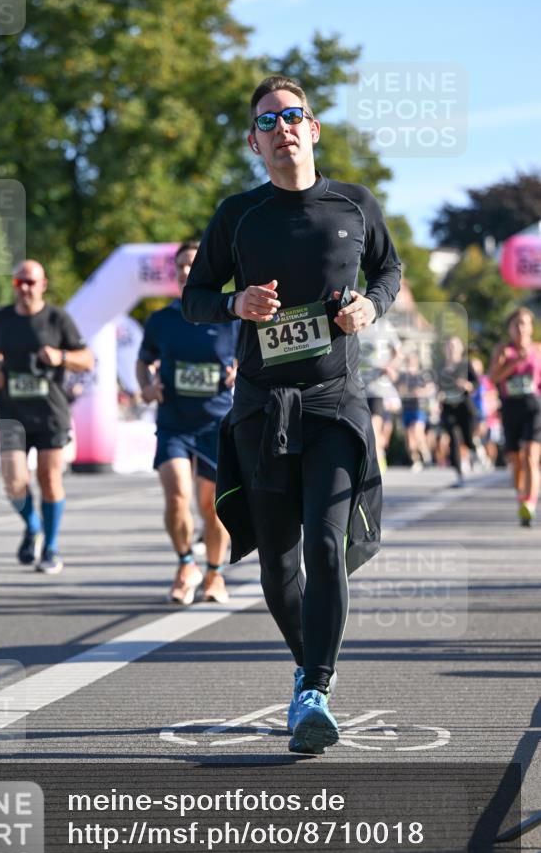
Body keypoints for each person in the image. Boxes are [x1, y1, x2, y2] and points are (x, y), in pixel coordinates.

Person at [182, 76, 400, 754]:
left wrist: (368, 306)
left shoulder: (354, 204)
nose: (282, 127)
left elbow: (388, 273)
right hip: (259, 407)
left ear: (312, 129)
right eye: (267, 120)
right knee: (277, 562)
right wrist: (234, 304)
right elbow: (193, 297)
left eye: (293, 115)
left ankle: (314, 687)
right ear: (255, 142)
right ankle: (307, 669)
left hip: (334, 402)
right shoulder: (238, 216)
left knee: (322, 541)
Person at [137, 241, 237, 605]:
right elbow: (144, 360)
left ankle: (214, 573)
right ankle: (184, 564)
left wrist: (238, 370)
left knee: (211, 506)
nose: (185, 271)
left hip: (216, 423)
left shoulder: (230, 319)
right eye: (180, 265)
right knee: (177, 492)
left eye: (193, 264)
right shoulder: (161, 320)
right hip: (174, 422)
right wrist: (147, 386)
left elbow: (251, 360)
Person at [0, 259, 94, 574]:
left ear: (43, 284)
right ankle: (33, 527)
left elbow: (87, 359)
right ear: (14, 285)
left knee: (49, 477)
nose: (25, 288)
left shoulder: (58, 320)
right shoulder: (0, 319)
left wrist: (62, 357)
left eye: (31, 282)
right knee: (14, 481)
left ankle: (52, 547)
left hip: (50, 412)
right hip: (12, 411)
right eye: (20, 282)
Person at [489, 307, 541, 526]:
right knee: (516, 460)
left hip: (534, 406)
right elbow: (493, 378)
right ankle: (522, 497)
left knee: (531, 456)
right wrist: (514, 362)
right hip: (511, 408)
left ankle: (530, 503)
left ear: (531, 327)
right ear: (510, 328)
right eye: (516, 324)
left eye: (524, 324)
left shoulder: (538, 350)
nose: (520, 328)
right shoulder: (503, 350)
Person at [358, 316, 402, 472]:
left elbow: (398, 352)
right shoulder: (355, 323)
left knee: (374, 429)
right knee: (364, 430)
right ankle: (377, 456)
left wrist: (390, 367)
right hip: (358, 388)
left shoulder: (384, 325)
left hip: (378, 388)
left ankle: (376, 464)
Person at [437, 336, 478, 488]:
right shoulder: (441, 367)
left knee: (467, 439)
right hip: (448, 408)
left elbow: (476, 383)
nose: (451, 349)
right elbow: (437, 385)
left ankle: (474, 451)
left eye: (454, 346)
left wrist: (467, 385)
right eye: (448, 346)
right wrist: (438, 394)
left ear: (461, 349)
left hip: (464, 408)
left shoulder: (465, 364)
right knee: (453, 439)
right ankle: (459, 475)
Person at [397, 351, 434, 471]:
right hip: (406, 408)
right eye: (408, 361)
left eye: (412, 360)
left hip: (419, 408)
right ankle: (415, 460)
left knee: (416, 432)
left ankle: (425, 453)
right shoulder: (403, 376)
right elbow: (399, 389)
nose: (409, 363)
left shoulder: (423, 375)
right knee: (409, 436)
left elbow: (431, 388)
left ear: (416, 362)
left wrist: (421, 392)